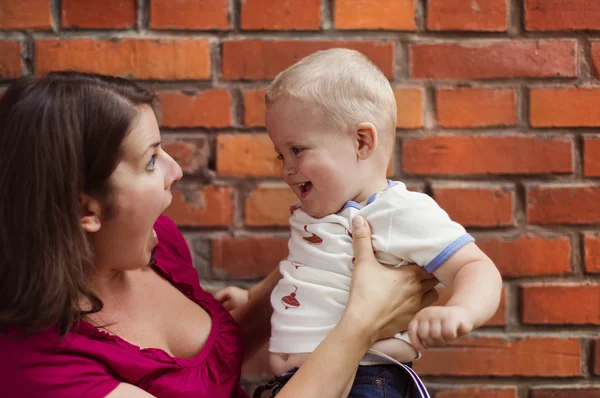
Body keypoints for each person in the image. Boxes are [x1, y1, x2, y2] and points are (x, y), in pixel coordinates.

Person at [0, 71, 440, 398]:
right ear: (85, 209)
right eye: (151, 160)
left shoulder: (158, 244)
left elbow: (217, 362)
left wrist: (331, 257)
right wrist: (360, 324)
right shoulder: (41, 368)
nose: (176, 170)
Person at [251, 48, 502, 397]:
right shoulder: (319, 213)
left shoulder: (396, 212)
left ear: (361, 141)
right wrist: (251, 297)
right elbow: (307, 272)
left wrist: (462, 309)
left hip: (367, 382)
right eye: (281, 154)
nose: (286, 168)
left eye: (297, 150)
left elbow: (476, 266)